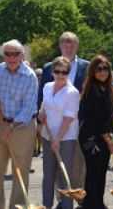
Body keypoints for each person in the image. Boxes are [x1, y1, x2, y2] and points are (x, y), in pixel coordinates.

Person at [0, 39, 38, 209]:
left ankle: (16, 207)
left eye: (15, 54)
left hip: (22, 127)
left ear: (22, 55)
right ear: (3, 55)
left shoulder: (30, 76)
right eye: (7, 54)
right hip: (1, 123)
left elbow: (29, 107)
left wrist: (11, 126)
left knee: (20, 171)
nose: (11, 57)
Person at [39, 32, 90, 194]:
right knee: (52, 170)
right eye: (65, 44)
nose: (68, 47)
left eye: (72, 44)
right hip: (50, 128)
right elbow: (42, 96)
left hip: (76, 125)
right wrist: (40, 120)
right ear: (60, 46)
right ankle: (60, 200)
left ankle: (75, 200)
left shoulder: (87, 67)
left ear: (77, 46)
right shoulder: (49, 68)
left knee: (75, 167)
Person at [38, 57, 80, 209]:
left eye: (64, 72)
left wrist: (58, 139)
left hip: (66, 138)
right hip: (47, 135)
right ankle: (46, 205)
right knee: (48, 175)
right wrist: (41, 113)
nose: (61, 75)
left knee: (64, 174)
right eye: (57, 71)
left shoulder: (72, 92)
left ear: (68, 73)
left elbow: (69, 118)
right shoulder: (47, 86)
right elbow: (44, 105)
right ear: (52, 72)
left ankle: (67, 205)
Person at [76, 55, 113, 209]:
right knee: (94, 172)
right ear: (93, 71)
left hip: (102, 135)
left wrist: (110, 136)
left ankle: (96, 203)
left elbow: (108, 118)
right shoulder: (92, 90)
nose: (102, 72)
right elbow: (97, 120)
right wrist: (109, 141)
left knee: (100, 172)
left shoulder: (106, 89)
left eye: (106, 68)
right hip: (91, 138)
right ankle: (92, 204)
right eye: (99, 69)